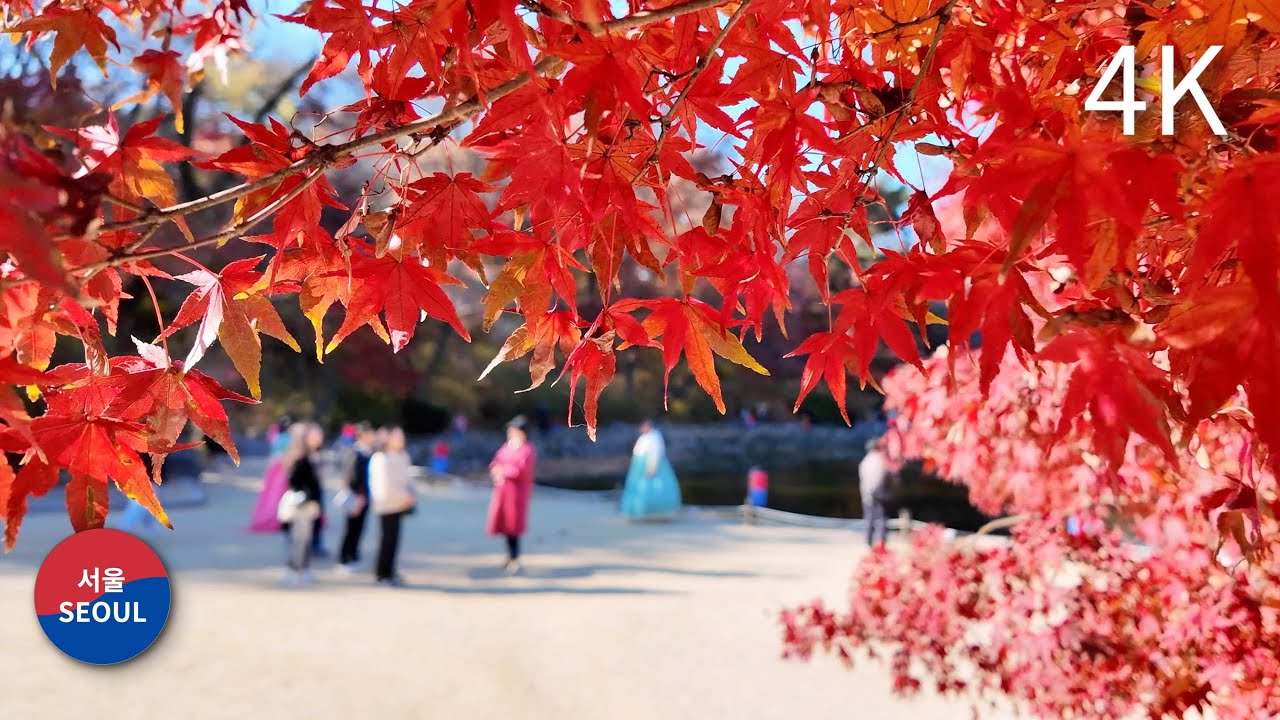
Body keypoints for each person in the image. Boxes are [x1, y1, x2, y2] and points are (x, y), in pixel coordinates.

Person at [486, 415, 537, 574]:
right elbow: (496, 461)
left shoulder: (527, 450)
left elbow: (521, 470)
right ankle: (509, 556)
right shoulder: (507, 446)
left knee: (513, 525)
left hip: (516, 494)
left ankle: (515, 558)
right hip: (503, 491)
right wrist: (496, 470)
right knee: (505, 525)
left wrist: (503, 472)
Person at [369, 427, 416, 587]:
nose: (401, 439)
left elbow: (409, 479)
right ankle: (382, 574)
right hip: (386, 505)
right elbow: (383, 486)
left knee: (395, 540)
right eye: (397, 436)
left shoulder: (403, 456)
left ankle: (390, 571)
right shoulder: (381, 458)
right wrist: (404, 496)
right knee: (386, 540)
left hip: (400, 505)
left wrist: (411, 494)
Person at [281, 422, 324, 585]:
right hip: (302, 504)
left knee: (305, 539)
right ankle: (294, 568)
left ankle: (303, 568)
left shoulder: (312, 456)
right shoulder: (300, 458)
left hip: (310, 504)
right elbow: (295, 481)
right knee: (298, 539)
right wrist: (309, 496)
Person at [620, 420, 682, 521]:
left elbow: (655, 452)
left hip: (650, 465)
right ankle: (641, 510)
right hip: (640, 466)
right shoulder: (645, 437)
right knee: (640, 487)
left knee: (653, 487)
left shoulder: (654, 436)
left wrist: (652, 466)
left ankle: (655, 511)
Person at [337, 424, 376, 571]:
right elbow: (352, 476)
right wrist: (360, 494)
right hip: (357, 496)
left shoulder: (367, 452)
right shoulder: (355, 452)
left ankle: (353, 555)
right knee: (351, 528)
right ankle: (345, 557)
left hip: (364, 496)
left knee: (359, 528)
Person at [249, 416, 293, 532]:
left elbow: (273, 455)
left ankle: (277, 517)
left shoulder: (276, 437)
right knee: (283, 494)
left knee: (272, 495)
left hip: (274, 468)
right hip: (284, 467)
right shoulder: (288, 438)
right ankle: (283, 519)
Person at [859, 438, 895, 548]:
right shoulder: (882, 460)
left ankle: (868, 542)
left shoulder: (865, 461)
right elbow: (889, 477)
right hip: (881, 493)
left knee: (869, 518)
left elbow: (862, 479)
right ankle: (881, 543)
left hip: (867, 495)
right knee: (881, 519)